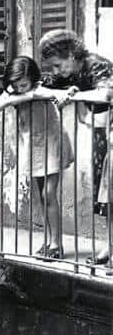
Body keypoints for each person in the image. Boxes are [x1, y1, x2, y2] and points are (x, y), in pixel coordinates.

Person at [0, 56, 75, 259]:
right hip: (34, 147)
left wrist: (65, 94)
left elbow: (54, 93)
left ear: (32, 78)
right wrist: (19, 97)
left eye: (24, 84)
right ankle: (49, 240)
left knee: (49, 193)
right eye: (17, 85)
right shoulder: (14, 91)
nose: (20, 88)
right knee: (41, 196)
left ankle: (56, 244)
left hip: (52, 142)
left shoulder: (40, 88)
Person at [39, 29, 113, 264]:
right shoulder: (70, 72)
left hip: (109, 128)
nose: (55, 71)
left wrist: (73, 97)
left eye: (57, 65)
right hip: (103, 130)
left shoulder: (97, 64)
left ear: (71, 54)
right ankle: (110, 246)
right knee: (106, 191)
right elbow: (40, 85)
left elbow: (106, 95)